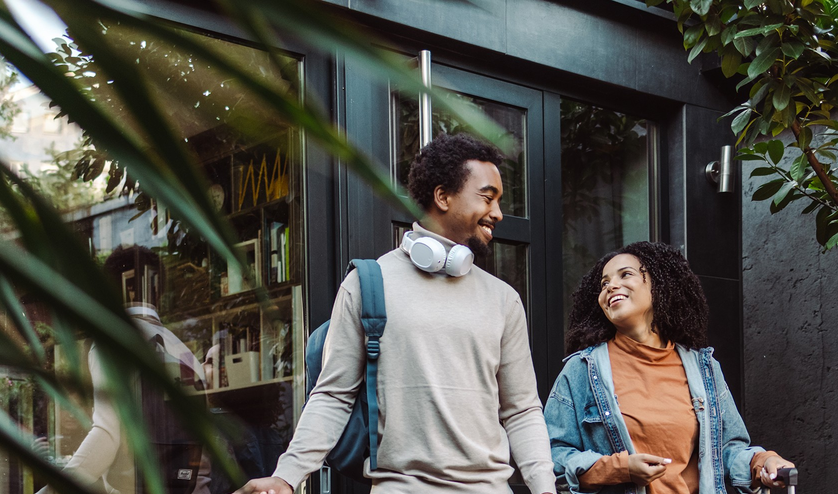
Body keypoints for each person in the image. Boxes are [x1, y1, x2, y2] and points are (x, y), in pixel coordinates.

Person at [236, 134, 557, 494]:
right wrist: (287, 477)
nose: (498, 212)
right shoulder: (367, 284)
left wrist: (545, 488)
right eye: (487, 197)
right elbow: (333, 396)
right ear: (443, 196)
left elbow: (522, 410)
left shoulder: (503, 299)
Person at [545, 241, 794, 494]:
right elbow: (552, 456)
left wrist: (762, 464)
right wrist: (621, 469)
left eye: (626, 274)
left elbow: (726, 452)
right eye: (604, 283)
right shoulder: (582, 370)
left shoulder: (703, 367)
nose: (611, 286)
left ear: (659, 285)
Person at [37, 245, 212, 494]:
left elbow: (107, 436)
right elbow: (200, 459)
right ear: (158, 292)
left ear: (124, 288)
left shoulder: (113, 344)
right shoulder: (186, 355)